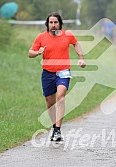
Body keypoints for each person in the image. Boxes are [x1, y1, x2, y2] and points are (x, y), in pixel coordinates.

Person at [28, 12, 86, 142]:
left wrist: (81, 58)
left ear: (60, 24)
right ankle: (55, 126)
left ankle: (58, 130)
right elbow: (30, 53)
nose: (53, 25)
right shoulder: (41, 37)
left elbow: (76, 44)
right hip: (48, 73)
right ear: (47, 24)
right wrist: (38, 52)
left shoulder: (68, 35)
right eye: (51, 23)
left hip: (63, 71)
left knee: (61, 96)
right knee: (50, 102)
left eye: (55, 22)